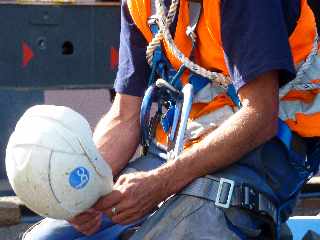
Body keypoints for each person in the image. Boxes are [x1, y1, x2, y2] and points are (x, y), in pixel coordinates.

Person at [23, 0, 320, 239]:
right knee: (52, 236)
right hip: (182, 147)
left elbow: (260, 115)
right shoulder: (143, 6)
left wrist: (161, 184)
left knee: (184, 224)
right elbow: (125, 115)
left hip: (266, 150)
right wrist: (87, 191)